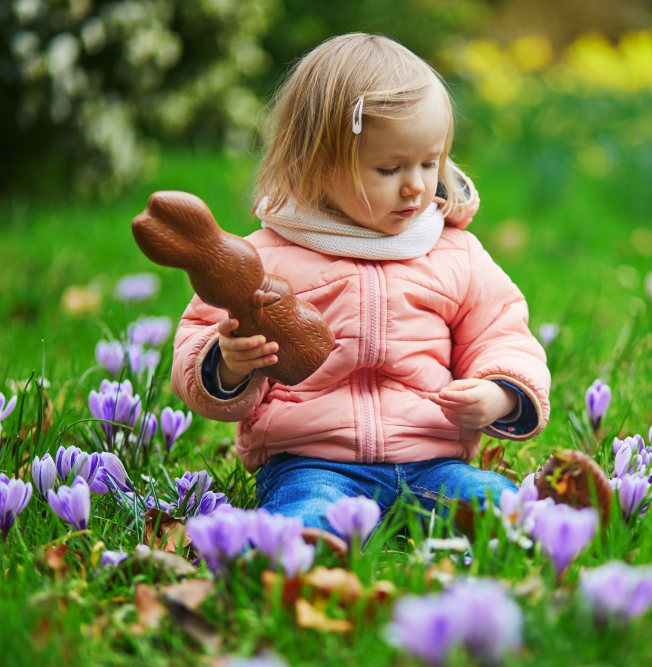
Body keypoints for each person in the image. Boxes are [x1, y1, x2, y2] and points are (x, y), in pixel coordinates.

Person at [170, 33, 550, 535]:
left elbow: (501, 331)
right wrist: (227, 363)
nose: (416, 185)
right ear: (317, 164)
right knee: (306, 514)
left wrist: (500, 394)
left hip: (432, 459)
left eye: (429, 162)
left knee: (498, 504)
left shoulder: (453, 252)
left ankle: (538, 529)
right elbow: (194, 341)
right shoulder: (262, 259)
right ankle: (306, 553)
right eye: (389, 168)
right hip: (313, 461)